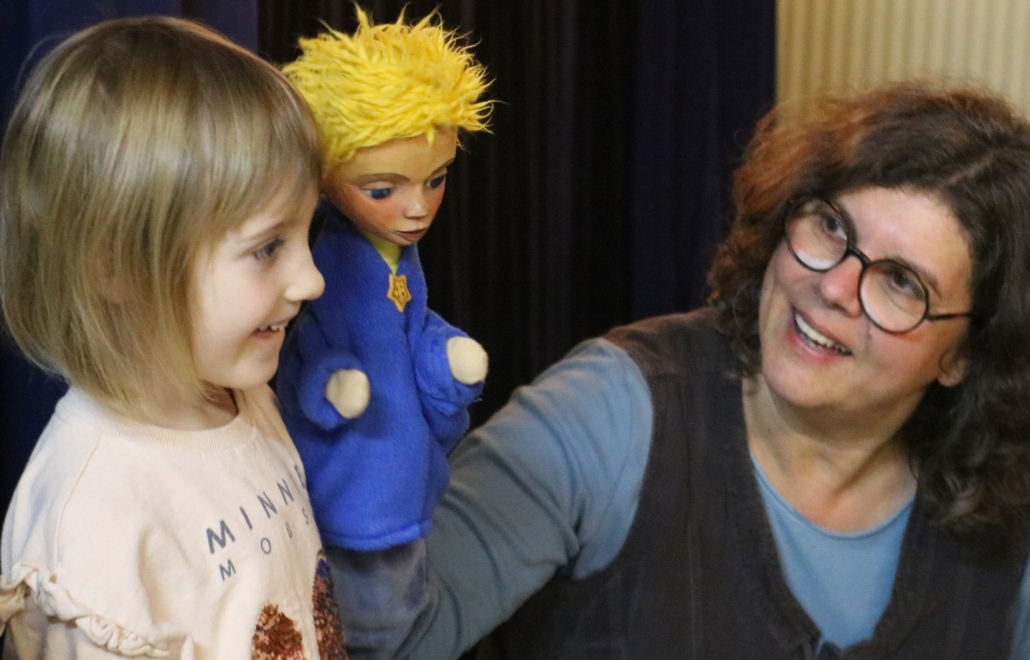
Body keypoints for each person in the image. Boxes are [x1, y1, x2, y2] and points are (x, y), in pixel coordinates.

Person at [329, 83, 1030, 659]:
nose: (835, 287)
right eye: (832, 227)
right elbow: (383, 643)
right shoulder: (614, 408)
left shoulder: (1009, 518)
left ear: (967, 354)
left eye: (902, 283)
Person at [0, 17, 345, 658]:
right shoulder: (92, 530)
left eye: (306, 234)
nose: (312, 280)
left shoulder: (241, 393)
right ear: (117, 266)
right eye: (267, 248)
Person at [275, 8, 493, 552]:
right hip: (352, 490)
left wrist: (441, 354)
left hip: (406, 478)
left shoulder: (399, 252)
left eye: (435, 181)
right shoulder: (323, 256)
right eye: (381, 191)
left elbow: (411, 324)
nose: (417, 208)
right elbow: (305, 343)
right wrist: (328, 384)